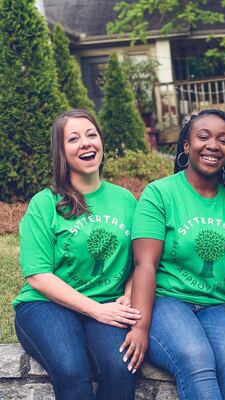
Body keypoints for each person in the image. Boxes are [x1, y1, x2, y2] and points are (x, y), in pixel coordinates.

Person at [120, 109, 225, 400]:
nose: (213, 145)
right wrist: (140, 327)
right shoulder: (159, 194)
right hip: (168, 301)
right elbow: (145, 264)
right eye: (203, 137)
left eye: (223, 140)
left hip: (218, 306)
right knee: (195, 356)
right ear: (186, 146)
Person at [13, 109, 139, 400]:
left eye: (91, 135)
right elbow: (39, 276)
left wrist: (129, 294)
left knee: (122, 368)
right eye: (73, 139)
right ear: (61, 151)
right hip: (46, 305)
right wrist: (96, 310)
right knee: (72, 370)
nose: (85, 143)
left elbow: (140, 260)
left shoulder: (124, 200)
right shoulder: (45, 203)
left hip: (107, 303)